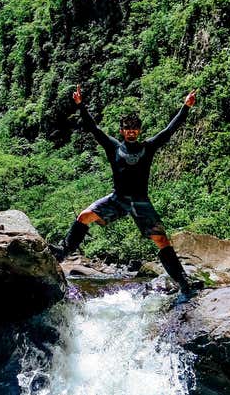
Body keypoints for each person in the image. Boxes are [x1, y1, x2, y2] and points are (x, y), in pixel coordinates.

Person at [50, 84, 202, 302]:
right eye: (127, 128)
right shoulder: (113, 147)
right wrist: (80, 105)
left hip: (140, 202)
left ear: (139, 130)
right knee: (84, 217)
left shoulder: (148, 147)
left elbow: (169, 130)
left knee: (161, 240)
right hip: (118, 199)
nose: (131, 131)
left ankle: (184, 283)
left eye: (134, 127)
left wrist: (185, 107)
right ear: (122, 131)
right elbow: (94, 129)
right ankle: (62, 253)